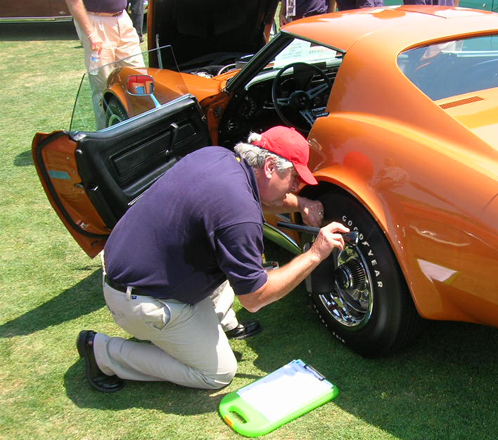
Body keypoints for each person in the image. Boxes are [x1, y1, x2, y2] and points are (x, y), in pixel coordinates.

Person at [76, 126, 350, 392]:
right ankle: (103, 352)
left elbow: (262, 197)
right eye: (294, 178)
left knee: (227, 256)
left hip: (130, 259)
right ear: (268, 167)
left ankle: (223, 322)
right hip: (141, 298)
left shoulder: (216, 156)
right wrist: (315, 253)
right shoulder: (238, 215)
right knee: (216, 373)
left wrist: (301, 204)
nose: (296, 187)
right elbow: (255, 298)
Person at [64, 0, 145, 129]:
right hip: (96, 23)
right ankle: (106, 137)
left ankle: (141, 129)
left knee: (139, 77)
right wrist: (91, 34)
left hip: (122, 18)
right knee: (103, 86)